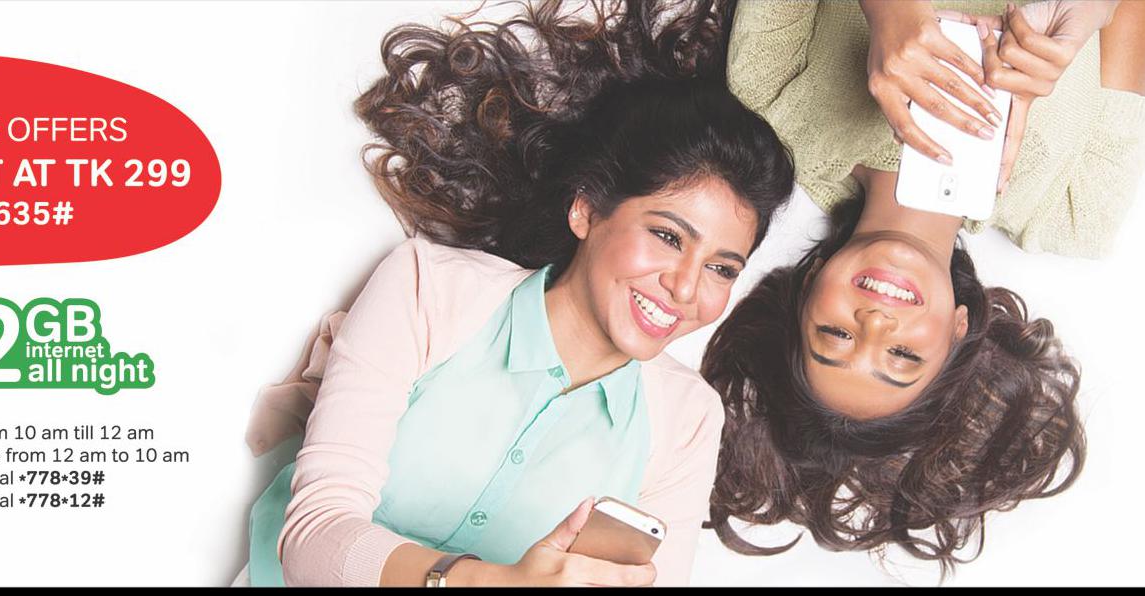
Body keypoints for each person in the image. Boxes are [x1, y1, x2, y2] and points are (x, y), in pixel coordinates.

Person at [243, 0, 795, 586]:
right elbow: (311, 536)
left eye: (721, 269)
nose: (685, 287)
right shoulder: (429, 289)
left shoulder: (688, 419)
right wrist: (490, 582)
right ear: (586, 210)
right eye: (666, 236)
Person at [701, 0, 1145, 574]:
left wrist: (887, 12)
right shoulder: (1074, 206)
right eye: (902, 355)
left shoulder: (773, 94)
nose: (874, 323)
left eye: (835, 335)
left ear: (810, 284)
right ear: (958, 330)